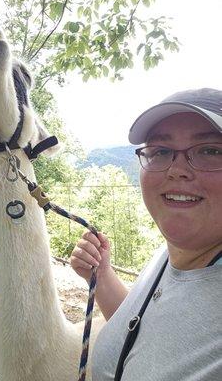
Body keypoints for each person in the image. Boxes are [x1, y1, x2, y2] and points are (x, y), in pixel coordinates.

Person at [70, 88, 222, 381]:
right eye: (161, 151)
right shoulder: (167, 256)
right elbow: (146, 333)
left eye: (210, 150)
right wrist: (101, 276)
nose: (177, 170)